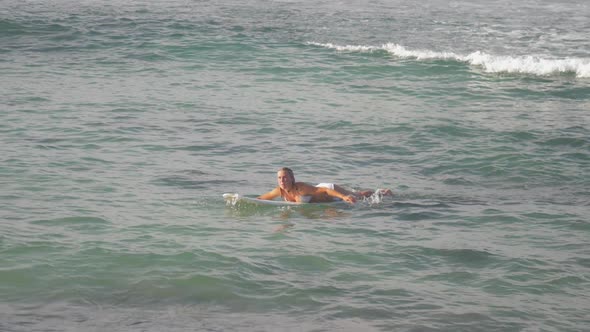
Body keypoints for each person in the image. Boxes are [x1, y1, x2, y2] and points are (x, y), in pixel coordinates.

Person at [257, 167, 392, 204]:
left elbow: (325, 190)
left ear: (292, 179)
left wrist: (344, 197)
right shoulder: (279, 191)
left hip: (328, 190)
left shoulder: (301, 188)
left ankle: (382, 193)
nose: (282, 180)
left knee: (358, 196)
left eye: (285, 177)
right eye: (279, 178)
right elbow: (262, 198)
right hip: (320, 196)